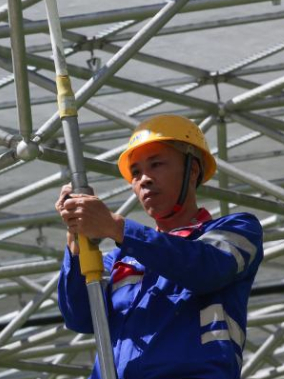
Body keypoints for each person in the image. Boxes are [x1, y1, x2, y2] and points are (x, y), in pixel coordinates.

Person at [55, 114, 263, 379]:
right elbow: (80, 318)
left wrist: (115, 227)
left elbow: (206, 268)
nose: (144, 179)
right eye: (136, 172)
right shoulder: (120, 259)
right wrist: (77, 242)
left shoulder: (238, 229)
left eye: (156, 164)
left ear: (193, 170)